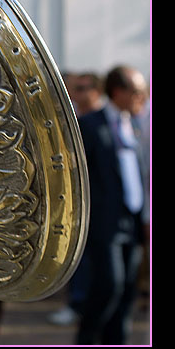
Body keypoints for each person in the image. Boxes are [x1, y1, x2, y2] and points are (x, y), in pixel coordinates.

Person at [75, 65, 149, 345]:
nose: (142, 96)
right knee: (109, 284)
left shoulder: (136, 125)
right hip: (104, 223)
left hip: (131, 219)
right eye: (137, 91)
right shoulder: (92, 124)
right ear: (118, 92)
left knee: (127, 291)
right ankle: (86, 338)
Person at [49, 71, 104, 326]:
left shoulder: (100, 122)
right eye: (73, 89)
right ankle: (78, 304)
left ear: (97, 90)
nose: (75, 94)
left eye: (82, 88)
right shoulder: (75, 120)